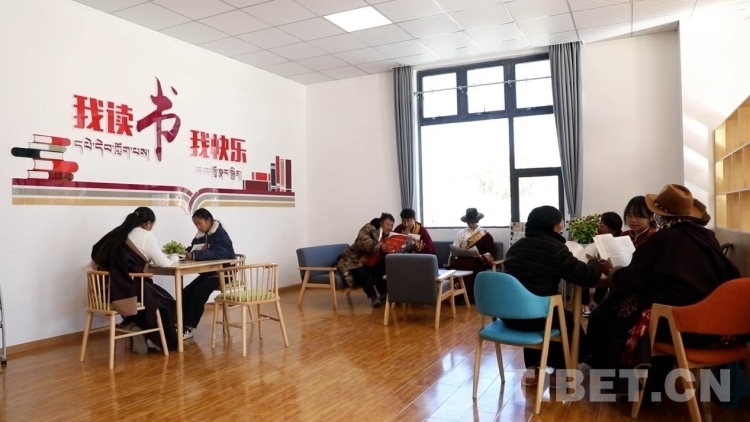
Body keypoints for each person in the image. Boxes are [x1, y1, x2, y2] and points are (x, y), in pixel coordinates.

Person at [586, 184, 739, 403]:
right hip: (711, 322)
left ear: (657, 216)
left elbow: (630, 279)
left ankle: (635, 388)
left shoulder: (662, 239)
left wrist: (612, 271)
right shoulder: (707, 237)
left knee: (617, 319)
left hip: (674, 323)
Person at [502, 206, 609, 385]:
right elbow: (586, 277)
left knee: (533, 308)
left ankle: (533, 368)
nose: (563, 225)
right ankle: (560, 370)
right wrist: (595, 263)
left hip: (508, 315)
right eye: (561, 222)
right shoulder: (554, 248)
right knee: (566, 321)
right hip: (537, 317)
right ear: (553, 225)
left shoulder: (516, 246)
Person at [91, 207, 179, 353]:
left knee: (152, 299)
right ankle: (164, 344)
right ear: (148, 223)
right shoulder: (145, 235)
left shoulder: (117, 233)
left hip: (108, 291)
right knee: (166, 302)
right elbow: (163, 263)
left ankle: (133, 324)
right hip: (130, 288)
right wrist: (174, 258)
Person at [181, 208, 236, 340]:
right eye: (195, 224)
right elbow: (196, 248)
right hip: (208, 273)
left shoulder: (220, 234)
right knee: (187, 291)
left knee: (199, 292)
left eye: (199, 223)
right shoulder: (200, 235)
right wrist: (187, 251)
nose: (197, 226)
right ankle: (179, 323)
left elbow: (222, 253)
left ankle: (189, 327)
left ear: (209, 220)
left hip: (223, 274)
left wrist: (196, 255)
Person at [336, 213, 395, 308]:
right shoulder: (368, 228)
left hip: (372, 263)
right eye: (387, 224)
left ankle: (384, 294)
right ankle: (373, 297)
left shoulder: (388, 236)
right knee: (361, 272)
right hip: (354, 260)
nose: (389, 228)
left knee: (383, 266)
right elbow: (362, 241)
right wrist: (379, 246)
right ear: (381, 223)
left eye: (391, 226)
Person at [448, 208, 497, 305]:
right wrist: (453, 256)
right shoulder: (461, 234)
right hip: (462, 259)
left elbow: (491, 251)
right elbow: (454, 248)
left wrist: (482, 257)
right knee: (456, 265)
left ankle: (471, 297)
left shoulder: (484, 234)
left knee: (473, 266)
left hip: (477, 261)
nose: (471, 224)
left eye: (473, 222)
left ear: (477, 221)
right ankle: (458, 297)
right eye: (469, 222)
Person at [582, 212, 623, 316]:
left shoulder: (621, 239)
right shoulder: (595, 235)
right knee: (584, 270)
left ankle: (597, 302)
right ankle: (586, 303)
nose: (600, 225)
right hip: (595, 265)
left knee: (603, 270)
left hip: (611, 269)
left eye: (602, 223)